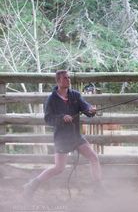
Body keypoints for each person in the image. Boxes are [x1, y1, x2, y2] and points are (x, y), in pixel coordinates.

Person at [23, 70, 103, 198]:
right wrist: (61, 118)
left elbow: (85, 107)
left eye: (69, 78)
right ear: (58, 81)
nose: (68, 80)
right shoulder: (51, 99)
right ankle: (31, 185)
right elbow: (48, 119)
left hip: (76, 136)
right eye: (65, 78)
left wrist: (90, 109)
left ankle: (98, 190)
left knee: (94, 158)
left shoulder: (75, 95)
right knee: (58, 168)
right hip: (62, 139)